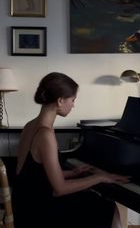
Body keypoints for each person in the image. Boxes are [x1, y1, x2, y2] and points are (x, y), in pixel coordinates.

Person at [12, 72, 129, 228]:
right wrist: (99, 177)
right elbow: (59, 189)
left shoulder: (30, 126)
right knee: (107, 207)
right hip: (38, 213)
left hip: (24, 204)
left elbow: (31, 173)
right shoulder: (45, 134)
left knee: (92, 200)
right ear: (60, 100)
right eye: (73, 100)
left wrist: (72, 173)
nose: (73, 104)